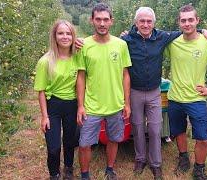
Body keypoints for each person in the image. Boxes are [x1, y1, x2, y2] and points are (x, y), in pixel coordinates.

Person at [120, 7, 207, 180]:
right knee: (138, 127)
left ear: (154, 23)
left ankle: (156, 165)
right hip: (134, 91)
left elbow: (186, 30)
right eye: (142, 21)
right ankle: (141, 159)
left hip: (154, 91)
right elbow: (109, 44)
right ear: (136, 23)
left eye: (149, 21)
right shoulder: (127, 40)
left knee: (156, 129)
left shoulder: (162, 37)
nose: (145, 24)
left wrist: (202, 30)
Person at [164, 4, 207, 180]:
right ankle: (184, 158)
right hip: (175, 98)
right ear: (179, 22)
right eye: (183, 20)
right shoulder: (172, 42)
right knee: (178, 131)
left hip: (197, 100)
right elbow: (150, 37)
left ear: (197, 21)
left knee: (203, 137)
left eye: (190, 20)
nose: (187, 23)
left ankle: (199, 169)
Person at [75, 3, 131, 180]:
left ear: (111, 21)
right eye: (98, 19)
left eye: (105, 19)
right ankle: (85, 174)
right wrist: (80, 105)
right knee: (84, 144)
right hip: (92, 105)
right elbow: (81, 76)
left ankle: (110, 168)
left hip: (115, 104)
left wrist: (127, 103)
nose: (102, 23)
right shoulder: (84, 45)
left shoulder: (121, 45)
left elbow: (125, 75)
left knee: (114, 139)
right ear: (92, 20)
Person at [34, 20, 79, 180]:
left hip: (72, 104)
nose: (65, 37)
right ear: (54, 36)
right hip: (53, 104)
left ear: (74, 36)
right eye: (61, 33)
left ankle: (68, 167)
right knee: (53, 146)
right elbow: (41, 91)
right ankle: (54, 174)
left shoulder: (78, 57)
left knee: (70, 141)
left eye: (68, 33)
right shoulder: (45, 61)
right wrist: (44, 116)